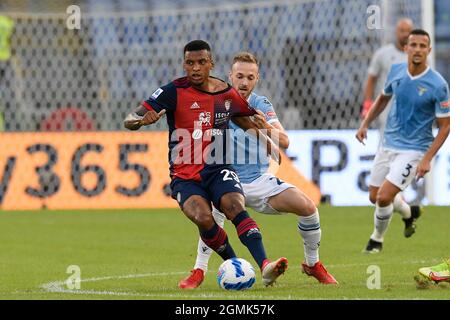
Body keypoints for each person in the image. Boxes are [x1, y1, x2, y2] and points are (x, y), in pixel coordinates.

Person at [124, 40, 288, 287]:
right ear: (184, 64)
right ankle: (235, 264)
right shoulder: (172, 92)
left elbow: (243, 119)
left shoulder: (224, 92)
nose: (196, 68)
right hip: (184, 174)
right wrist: (141, 122)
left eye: (201, 62)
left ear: (211, 63)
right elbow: (130, 119)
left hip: (218, 166)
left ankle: (265, 266)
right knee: (203, 216)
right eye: (190, 63)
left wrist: (267, 142)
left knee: (234, 206)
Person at [178, 52, 337, 289]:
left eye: (250, 77)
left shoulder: (261, 104)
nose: (244, 82)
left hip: (257, 180)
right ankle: (199, 271)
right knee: (212, 218)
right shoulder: (214, 100)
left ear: (257, 79)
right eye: (239, 76)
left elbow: (285, 141)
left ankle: (312, 264)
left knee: (308, 208)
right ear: (230, 76)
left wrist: (264, 128)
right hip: (223, 179)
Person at [356, 29, 450, 253]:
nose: (417, 49)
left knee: (384, 196)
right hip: (388, 143)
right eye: (413, 45)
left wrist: (427, 159)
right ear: (406, 48)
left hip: (414, 150)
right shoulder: (396, 71)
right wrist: (365, 123)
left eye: (422, 46)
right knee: (374, 197)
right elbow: (383, 98)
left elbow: (446, 125)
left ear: (428, 50)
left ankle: (376, 240)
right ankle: (409, 213)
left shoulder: (438, 85)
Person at [362, 18, 421, 238]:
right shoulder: (383, 54)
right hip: (386, 120)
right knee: (380, 183)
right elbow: (371, 78)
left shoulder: (419, 58)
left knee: (385, 185)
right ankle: (407, 211)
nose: (405, 34)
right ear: (396, 32)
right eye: (402, 30)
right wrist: (367, 105)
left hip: (409, 125)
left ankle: (381, 233)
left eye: (409, 31)